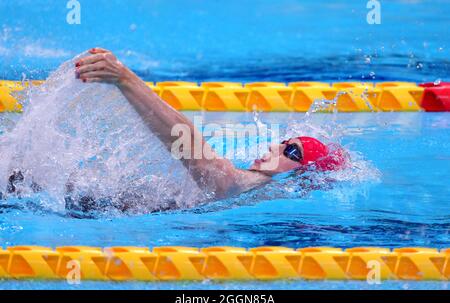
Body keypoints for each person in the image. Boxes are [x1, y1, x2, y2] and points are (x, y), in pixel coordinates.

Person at [74, 48, 347, 200]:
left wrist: (125, 79)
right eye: (283, 143)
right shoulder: (264, 190)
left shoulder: (256, 186)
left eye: (291, 152)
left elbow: (195, 152)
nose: (275, 148)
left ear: (305, 176)